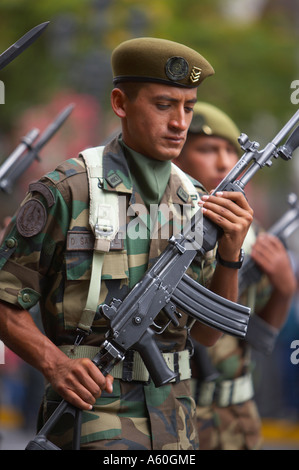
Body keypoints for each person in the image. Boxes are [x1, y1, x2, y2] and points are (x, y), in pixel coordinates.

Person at [0, 39, 253, 450]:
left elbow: (207, 334)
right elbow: (5, 297)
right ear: (120, 103)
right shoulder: (68, 190)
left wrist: (231, 254)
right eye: (163, 105)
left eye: (188, 107)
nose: (179, 122)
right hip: (92, 416)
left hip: (177, 422)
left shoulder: (196, 201)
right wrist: (55, 366)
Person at [173, 102, 297, 450]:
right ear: (178, 156)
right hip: (175, 411)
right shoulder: (161, 227)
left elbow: (258, 336)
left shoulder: (250, 232)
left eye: (231, 150)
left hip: (236, 417)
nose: (225, 162)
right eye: (208, 149)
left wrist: (285, 289)